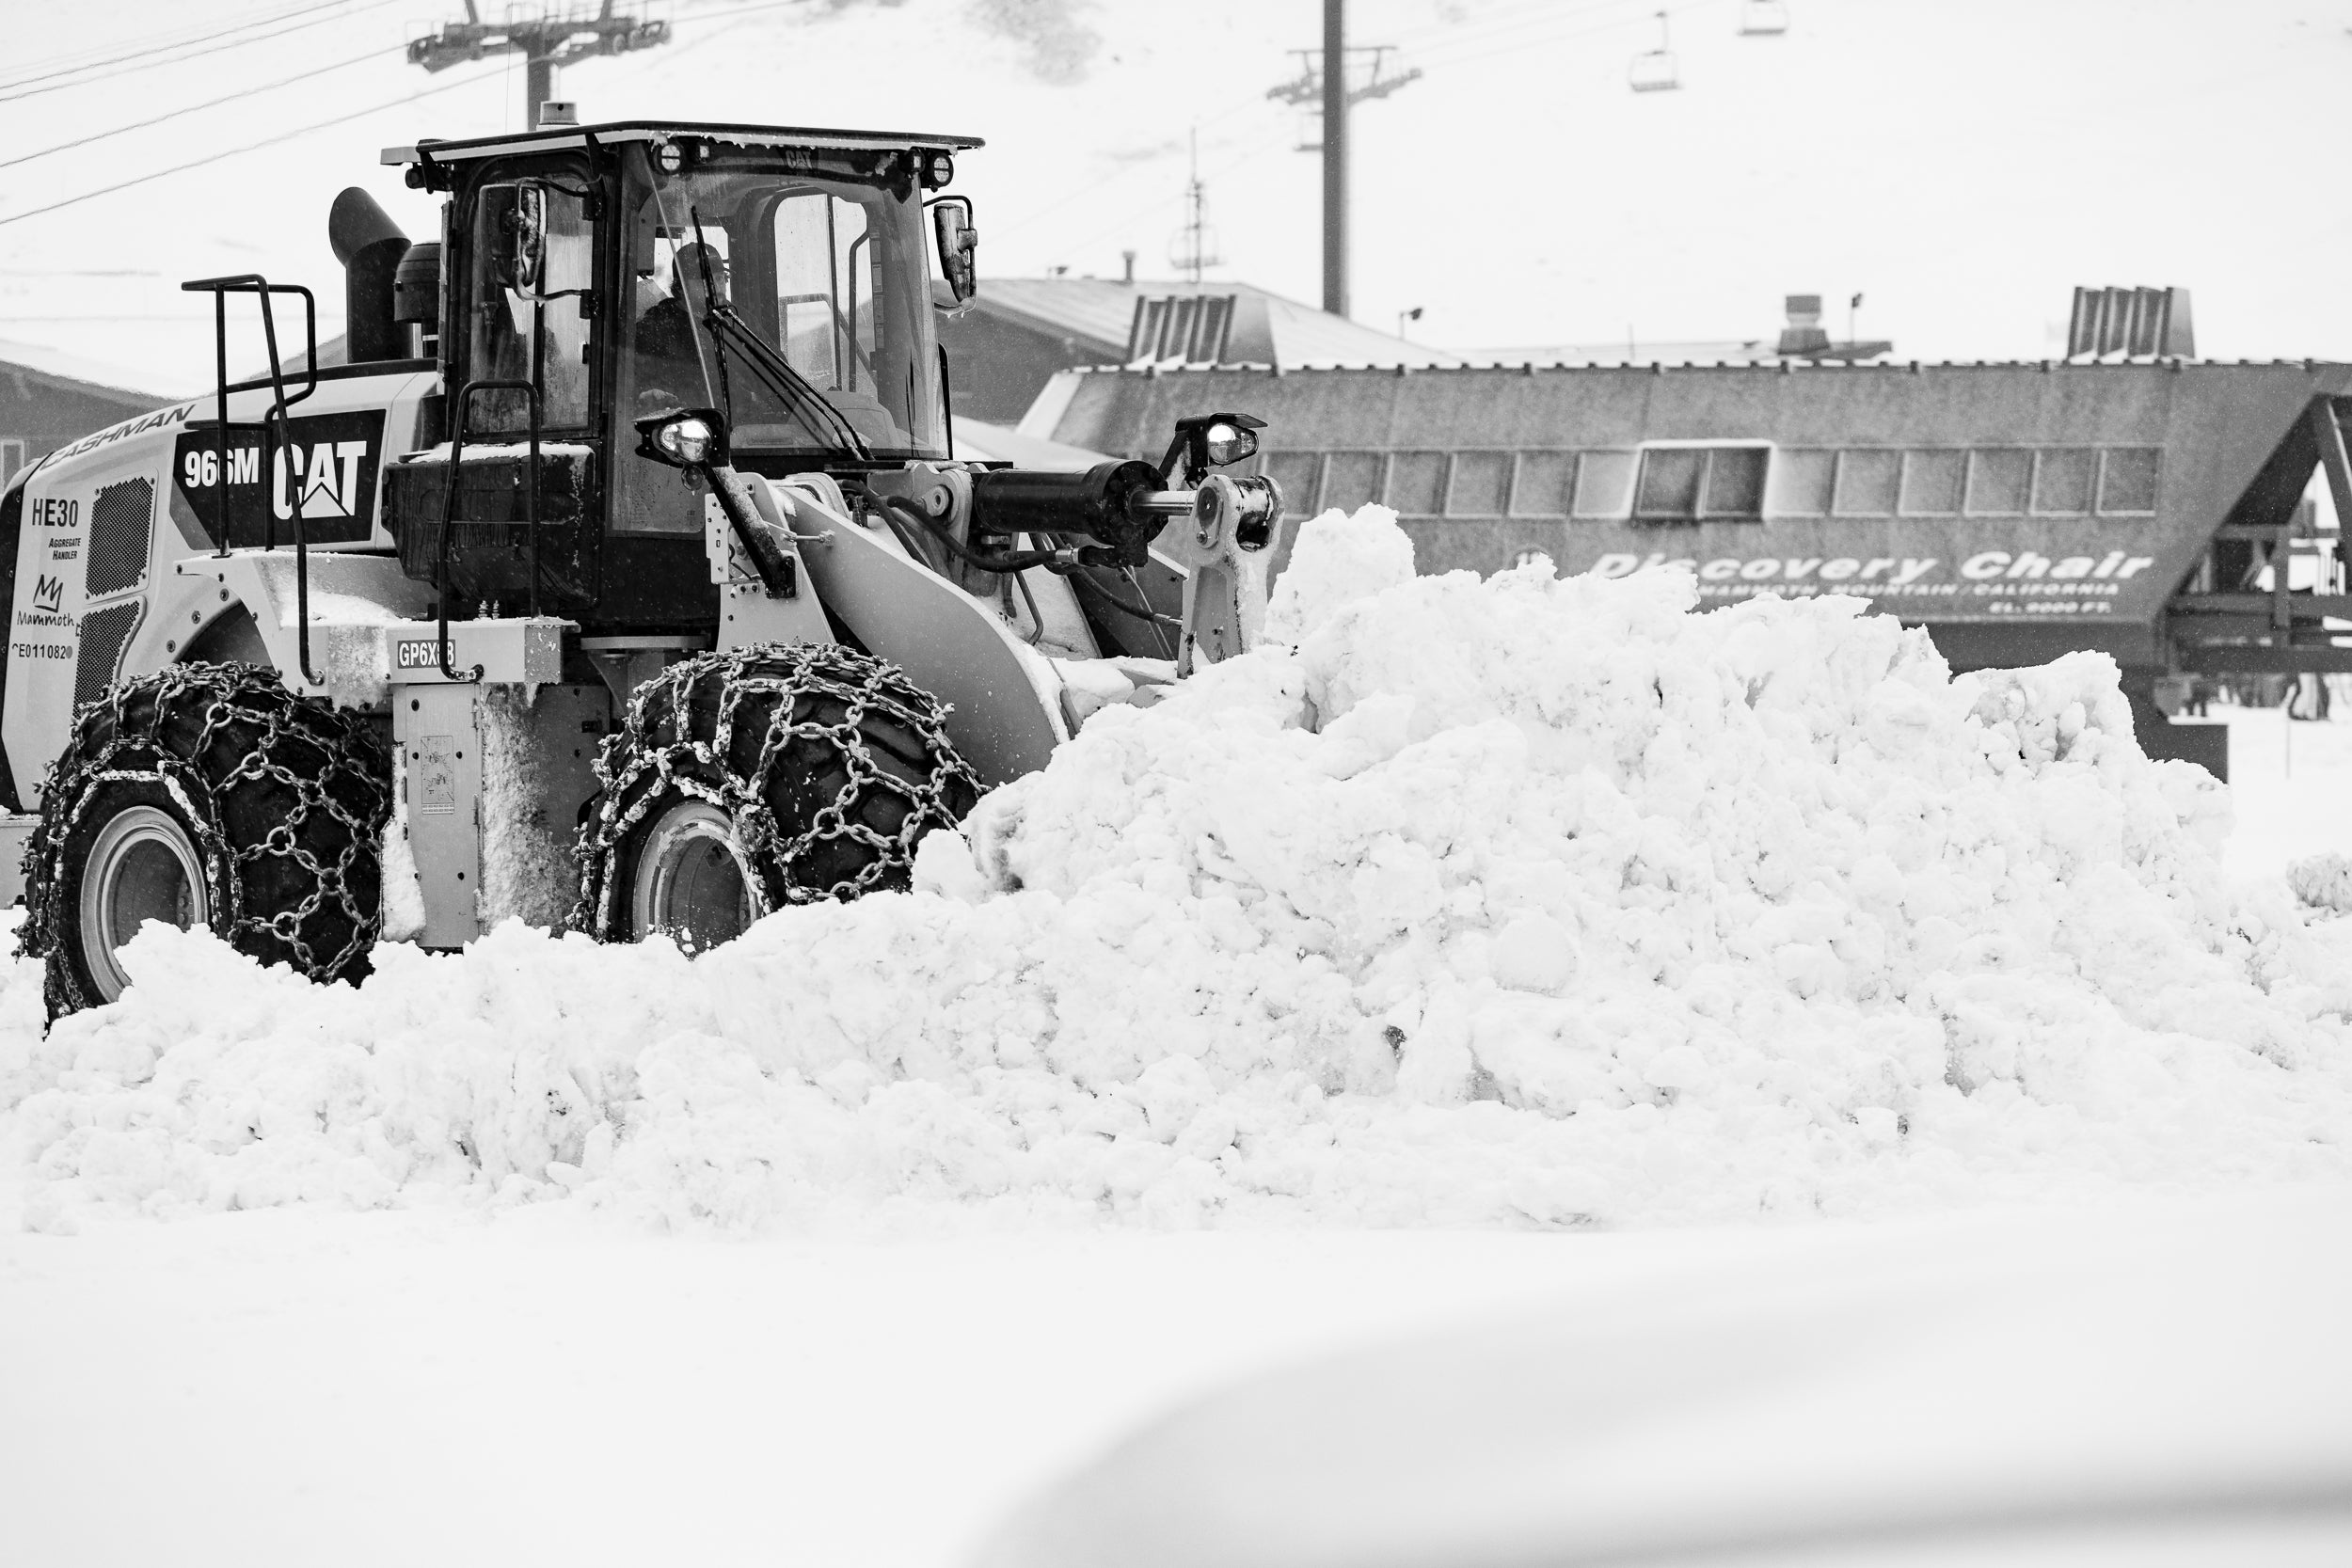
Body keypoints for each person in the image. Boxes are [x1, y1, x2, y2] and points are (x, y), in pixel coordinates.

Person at [634, 243, 727, 400]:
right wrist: (643, 394)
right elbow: (629, 384)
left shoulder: (739, 323)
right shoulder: (656, 327)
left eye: (720, 278)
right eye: (705, 280)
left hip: (744, 421)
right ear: (681, 285)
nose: (716, 287)